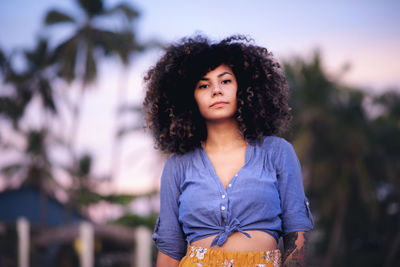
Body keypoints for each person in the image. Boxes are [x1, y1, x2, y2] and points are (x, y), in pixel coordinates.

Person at [143, 35, 314, 267]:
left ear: (243, 88)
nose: (216, 91)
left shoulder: (278, 152)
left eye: (225, 81)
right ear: (188, 98)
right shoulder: (177, 165)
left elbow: (297, 234)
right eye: (203, 85)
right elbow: (171, 248)